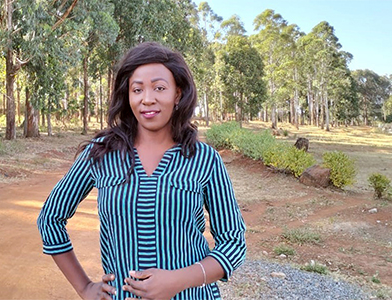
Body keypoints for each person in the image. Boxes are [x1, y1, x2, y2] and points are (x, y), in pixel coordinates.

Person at [37, 42, 246, 300]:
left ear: (178, 94)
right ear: (128, 95)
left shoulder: (204, 160)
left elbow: (233, 244)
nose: (147, 99)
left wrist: (176, 281)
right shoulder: (101, 153)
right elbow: (50, 218)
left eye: (159, 88)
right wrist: (84, 287)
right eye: (137, 89)